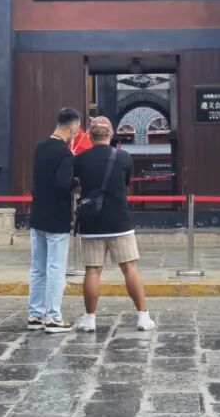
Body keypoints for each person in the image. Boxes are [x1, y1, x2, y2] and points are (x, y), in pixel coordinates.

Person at [73, 115, 154, 333]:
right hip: (119, 220)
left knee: (92, 270)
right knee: (129, 268)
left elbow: (78, 185)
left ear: (90, 136)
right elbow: (126, 183)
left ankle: (90, 319)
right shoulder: (124, 157)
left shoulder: (80, 159)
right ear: (110, 134)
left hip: (92, 222)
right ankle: (143, 316)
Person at [27, 106, 81, 333]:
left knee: (38, 268)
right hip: (57, 217)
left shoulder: (40, 147)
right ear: (73, 128)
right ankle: (53, 316)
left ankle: (35, 314)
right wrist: (76, 182)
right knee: (56, 269)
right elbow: (61, 185)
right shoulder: (65, 154)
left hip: (38, 213)